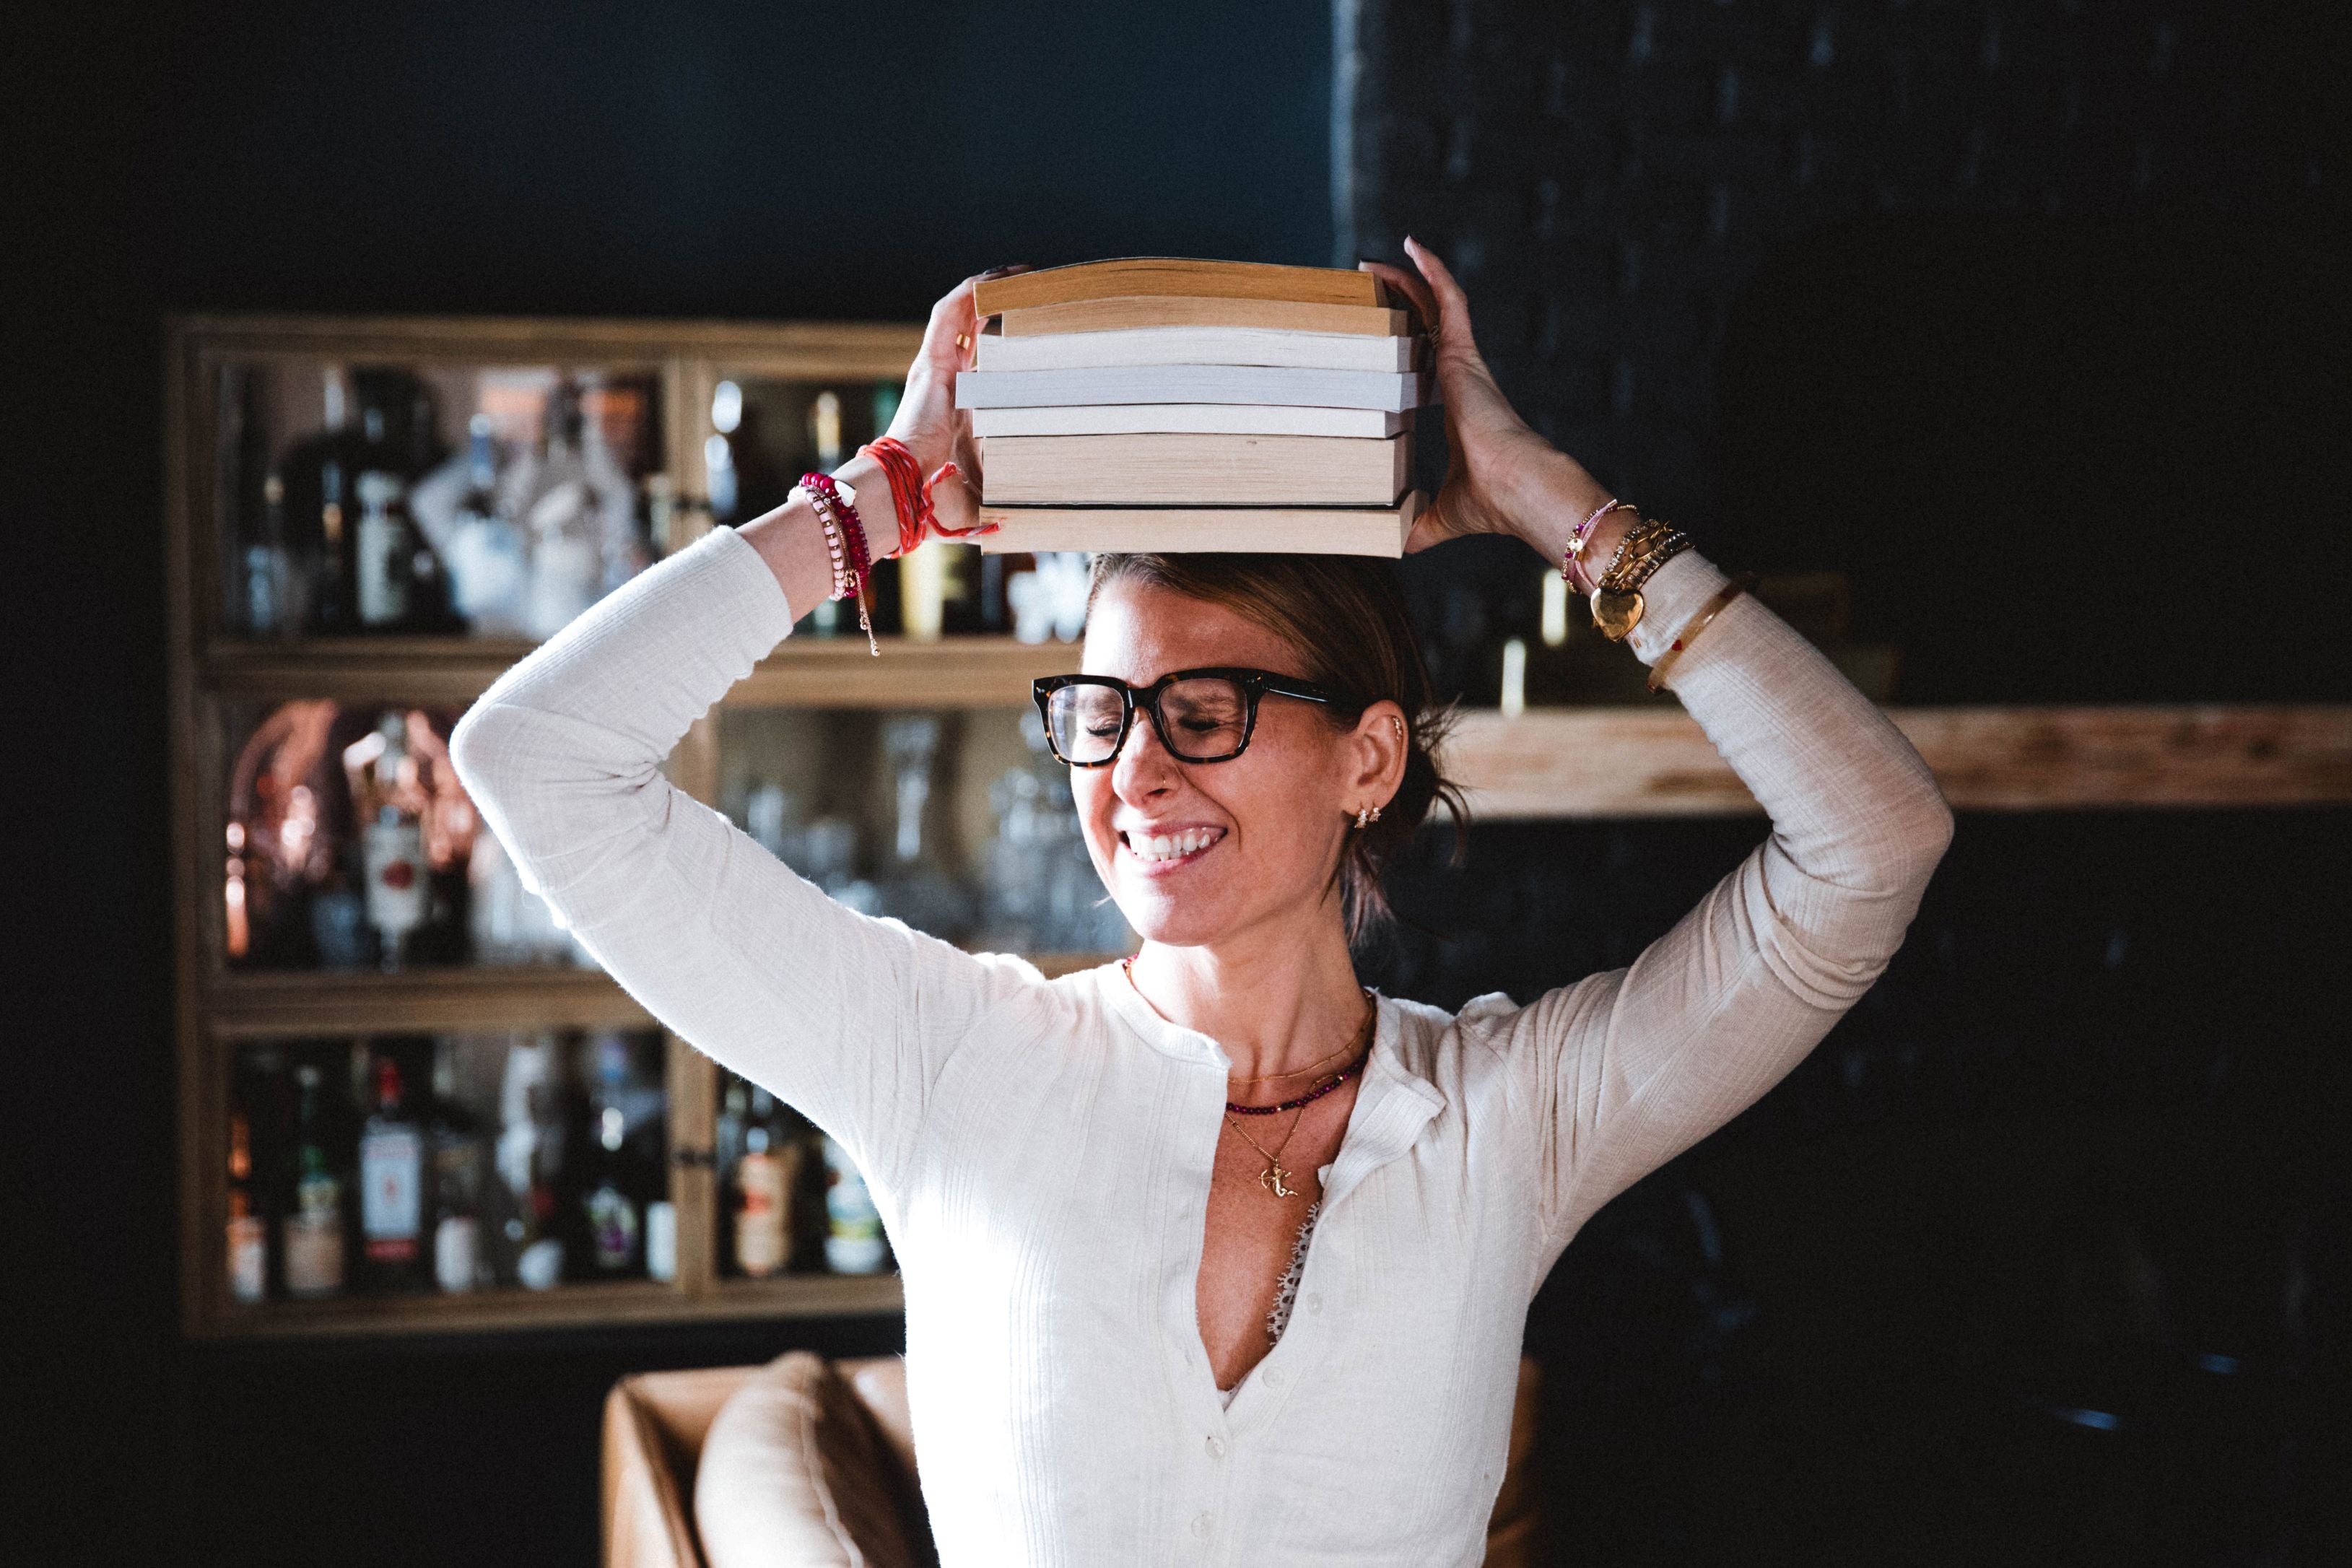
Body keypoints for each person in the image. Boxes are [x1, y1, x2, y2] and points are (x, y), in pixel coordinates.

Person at [450, 240, 1954, 1566]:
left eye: (1210, 709)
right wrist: (871, 505)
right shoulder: (943, 1058)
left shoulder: (1515, 1121)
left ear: (1367, 757)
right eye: (1101, 713)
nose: (1136, 773)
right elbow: (538, 762)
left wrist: (1556, 510)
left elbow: (1874, 842)